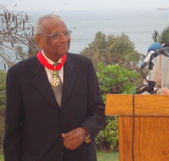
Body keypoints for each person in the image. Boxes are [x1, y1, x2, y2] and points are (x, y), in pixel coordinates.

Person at [3, 14, 106, 161]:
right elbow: (12, 130)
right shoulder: (19, 74)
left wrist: (85, 131)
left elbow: (98, 111)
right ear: (39, 39)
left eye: (66, 33)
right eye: (55, 35)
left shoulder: (84, 66)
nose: (64, 39)